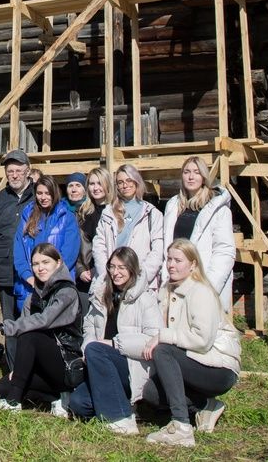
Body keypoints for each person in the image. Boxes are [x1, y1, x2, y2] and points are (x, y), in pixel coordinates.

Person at [142, 239, 241, 447]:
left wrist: (163, 336)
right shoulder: (166, 290)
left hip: (218, 367)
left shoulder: (201, 291)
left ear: (193, 264)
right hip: (192, 361)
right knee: (151, 393)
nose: (171, 265)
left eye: (178, 260)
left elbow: (202, 341)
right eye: (169, 259)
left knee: (163, 350)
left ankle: (181, 426)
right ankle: (205, 405)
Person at [0, 243, 83, 416]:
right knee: (1, 388)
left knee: (31, 336)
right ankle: (58, 396)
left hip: (66, 364)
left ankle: (14, 402)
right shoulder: (33, 296)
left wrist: (3, 328)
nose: (40, 268)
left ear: (58, 263)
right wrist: (19, 369)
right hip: (42, 367)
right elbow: (23, 324)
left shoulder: (67, 292)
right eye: (35, 264)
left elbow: (44, 320)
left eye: (45, 262)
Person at [69, 247, 161, 434]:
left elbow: (154, 339)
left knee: (96, 349)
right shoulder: (101, 295)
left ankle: (120, 417)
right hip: (101, 363)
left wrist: (113, 344)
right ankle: (124, 404)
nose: (115, 272)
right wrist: (88, 346)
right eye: (112, 267)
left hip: (132, 364)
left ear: (132, 269)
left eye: (122, 267)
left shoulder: (145, 299)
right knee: (79, 403)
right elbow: (89, 327)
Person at [161, 156, 235, 313]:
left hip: (202, 278)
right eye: (186, 172)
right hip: (176, 277)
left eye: (196, 172)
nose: (191, 176)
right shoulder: (174, 206)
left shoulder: (217, 209)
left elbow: (225, 250)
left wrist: (209, 286)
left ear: (204, 176)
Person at [0, 149, 35, 326]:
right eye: (10, 171)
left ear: (28, 171)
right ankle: (11, 354)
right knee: (9, 325)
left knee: (33, 324)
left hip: (33, 273)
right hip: (5, 273)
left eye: (18, 171)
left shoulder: (39, 196)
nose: (14, 175)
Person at [13, 175, 80, 311]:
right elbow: (19, 250)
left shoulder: (67, 217)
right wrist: (28, 276)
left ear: (54, 193)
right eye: (39, 193)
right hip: (29, 286)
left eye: (47, 193)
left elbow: (69, 253)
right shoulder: (27, 215)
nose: (43, 197)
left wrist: (51, 277)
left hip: (57, 284)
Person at [93, 163, 164, 290]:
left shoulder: (152, 213)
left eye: (129, 180)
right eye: (120, 182)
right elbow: (99, 245)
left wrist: (141, 277)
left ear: (137, 181)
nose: (125, 185)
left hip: (140, 282)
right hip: (111, 280)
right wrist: (107, 274)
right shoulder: (108, 212)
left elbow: (158, 250)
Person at [76, 167, 114, 291]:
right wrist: (80, 270)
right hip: (85, 276)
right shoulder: (82, 213)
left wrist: (99, 268)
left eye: (100, 183)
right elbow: (76, 245)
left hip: (111, 274)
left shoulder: (116, 212)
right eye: (92, 184)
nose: (96, 188)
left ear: (108, 185)